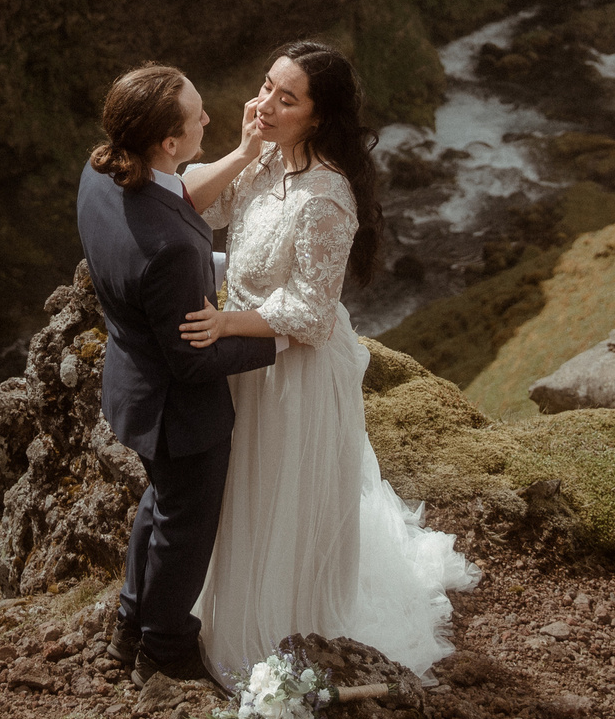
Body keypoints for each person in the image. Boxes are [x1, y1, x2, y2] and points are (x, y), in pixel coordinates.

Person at [178, 40, 474, 683]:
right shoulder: (265, 158)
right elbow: (192, 202)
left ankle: (277, 628)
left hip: (292, 372)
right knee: (241, 494)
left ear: (318, 117)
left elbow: (311, 314)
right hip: (250, 356)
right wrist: (243, 152)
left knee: (277, 500)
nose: (266, 103)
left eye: (287, 99)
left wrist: (226, 322)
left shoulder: (326, 197)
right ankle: (226, 608)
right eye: (267, 85)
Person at [76, 62, 286, 685]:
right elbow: (194, 358)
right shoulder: (170, 249)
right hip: (179, 413)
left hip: (132, 384)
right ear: (169, 142)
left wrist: (243, 155)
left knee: (160, 506)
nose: (209, 119)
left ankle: (128, 624)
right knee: (185, 530)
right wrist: (280, 338)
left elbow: (177, 198)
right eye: (198, 116)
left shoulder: (102, 174)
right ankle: (164, 649)